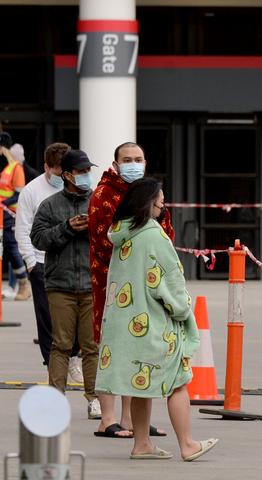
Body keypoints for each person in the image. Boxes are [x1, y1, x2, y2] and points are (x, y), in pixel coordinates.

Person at [96, 178, 218, 462]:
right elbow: (170, 282)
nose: (163, 207)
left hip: (125, 327)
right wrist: (182, 308)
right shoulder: (153, 235)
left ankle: (142, 444)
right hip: (155, 325)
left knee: (142, 384)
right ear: (147, 203)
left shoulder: (122, 233)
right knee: (177, 381)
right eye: (160, 203)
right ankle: (187, 444)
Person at [88, 141, 175, 439]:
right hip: (112, 282)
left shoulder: (149, 193)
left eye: (138, 159)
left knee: (137, 347)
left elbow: (166, 235)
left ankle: (131, 419)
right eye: (127, 159)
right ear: (115, 164)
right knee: (110, 346)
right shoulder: (103, 194)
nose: (133, 164)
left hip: (144, 286)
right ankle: (107, 418)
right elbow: (103, 243)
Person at [30, 149, 100, 420]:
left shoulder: (97, 202)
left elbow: (113, 235)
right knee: (60, 344)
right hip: (59, 284)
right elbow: (38, 238)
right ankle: (54, 399)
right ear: (68, 175)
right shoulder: (50, 205)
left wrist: (93, 227)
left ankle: (94, 399)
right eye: (82, 171)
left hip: (90, 282)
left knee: (91, 345)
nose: (86, 176)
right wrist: (67, 228)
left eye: (88, 171)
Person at [16, 143, 80, 376]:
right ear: (46, 167)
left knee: (74, 314)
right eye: (55, 172)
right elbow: (22, 229)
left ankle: (74, 355)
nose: (60, 177)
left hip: (72, 262)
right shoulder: (31, 192)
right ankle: (51, 363)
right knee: (46, 317)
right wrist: (30, 262)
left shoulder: (76, 187)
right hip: (41, 262)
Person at [0, 132, 30, 300]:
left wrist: (2, 203)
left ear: (3, 147)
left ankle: (24, 285)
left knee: (11, 250)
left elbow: (19, 194)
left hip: (8, 214)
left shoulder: (15, 167)